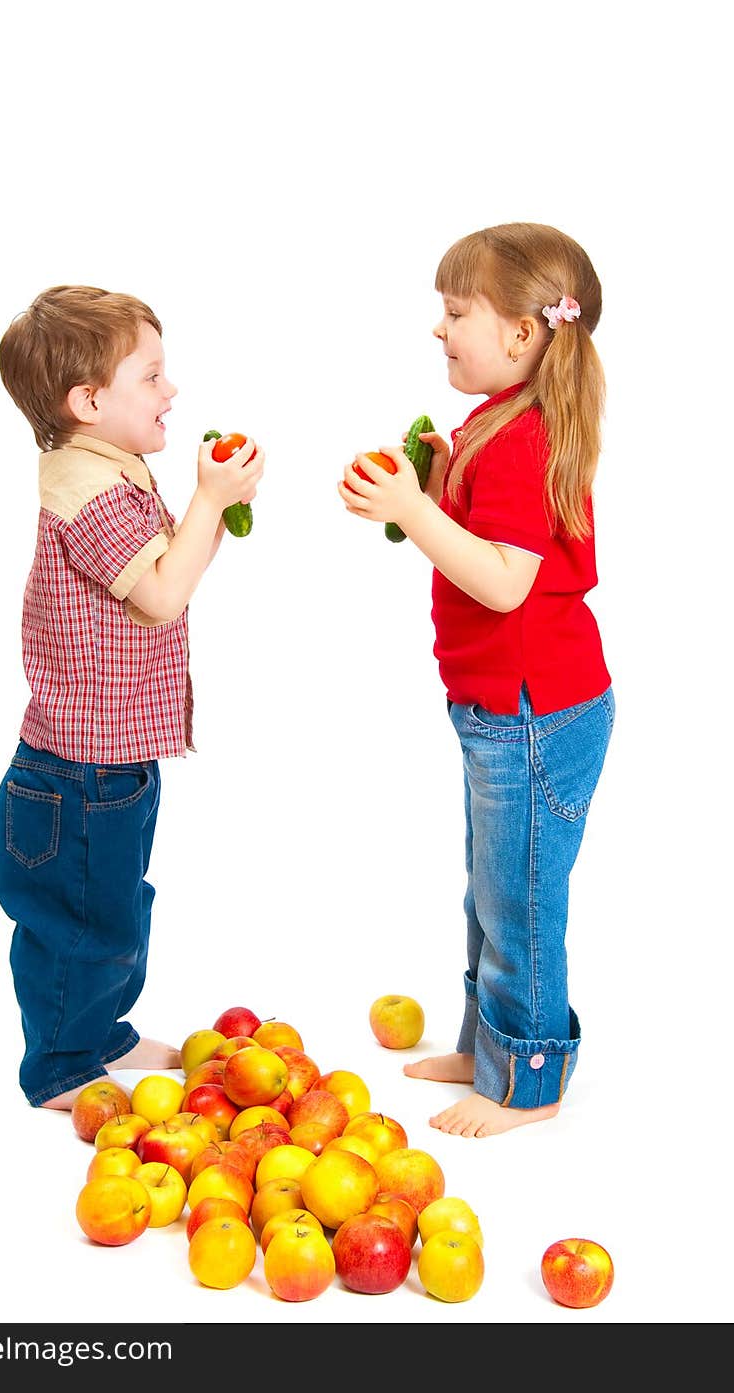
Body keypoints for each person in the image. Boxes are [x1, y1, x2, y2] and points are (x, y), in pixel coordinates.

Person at [338, 223, 614, 1138]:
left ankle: (526, 1080)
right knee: (489, 887)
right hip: (501, 707)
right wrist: (427, 482)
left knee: (521, 896)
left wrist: (414, 509)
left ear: (524, 335)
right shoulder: (494, 421)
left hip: (537, 711)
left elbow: (502, 579)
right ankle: (487, 1042)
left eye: (457, 312)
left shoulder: (524, 438)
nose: (440, 329)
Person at [0, 285, 264, 1110]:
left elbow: (167, 573)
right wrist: (211, 504)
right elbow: (161, 594)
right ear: (88, 402)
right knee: (82, 919)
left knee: (113, 903)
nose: (170, 391)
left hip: (110, 755)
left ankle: (100, 1028)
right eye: (150, 376)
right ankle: (61, 1069)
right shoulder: (94, 490)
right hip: (80, 772)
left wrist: (216, 510)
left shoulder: (106, 466)